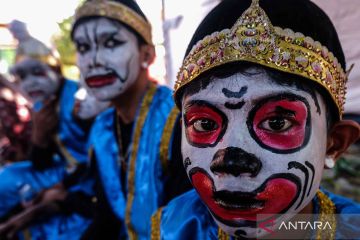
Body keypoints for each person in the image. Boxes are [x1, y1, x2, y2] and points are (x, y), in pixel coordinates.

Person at [151, 0, 360, 239]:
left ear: (334, 143)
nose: (229, 161)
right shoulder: (176, 227)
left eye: (277, 123)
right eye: (204, 124)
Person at [71, 0, 191, 238]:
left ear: (147, 54)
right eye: (83, 48)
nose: (93, 60)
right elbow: (106, 216)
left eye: (111, 43)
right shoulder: (102, 128)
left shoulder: (181, 120)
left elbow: (187, 223)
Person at [0, 43, 94, 239]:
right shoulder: (43, 102)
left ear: (56, 70)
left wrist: (60, 188)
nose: (30, 83)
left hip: (87, 176)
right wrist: (39, 137)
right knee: (6, 177)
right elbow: (41, 163)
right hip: (62, 169)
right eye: (22, 77)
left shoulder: (79, 101)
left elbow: (97, 161)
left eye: (37, 72)